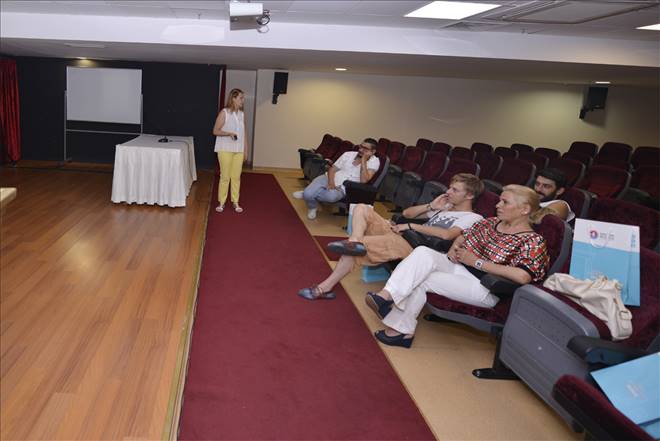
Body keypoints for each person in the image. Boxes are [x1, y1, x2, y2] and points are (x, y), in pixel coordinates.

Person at [366, 184, 550, 348]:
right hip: (459, 266)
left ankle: (401, 331)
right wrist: (454, 248)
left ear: (525, 209)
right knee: (423, 252)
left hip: (484, 286)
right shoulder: (492, 222)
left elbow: (522, 276)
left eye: (505, 202)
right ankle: (386, 297)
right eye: (500, 200)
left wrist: (477, 262)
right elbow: (463, 235)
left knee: (422, 279)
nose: (497, 205)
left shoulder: (533, 240)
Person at [297, 174, 484, 300]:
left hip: (416, 248)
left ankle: (324, 288)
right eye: (450, 188)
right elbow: (407, 213)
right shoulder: (445, 207)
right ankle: (355, 243)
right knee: (362, 207)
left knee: (354, 249)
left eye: (454, 190)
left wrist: (410, 226)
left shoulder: (473, 218)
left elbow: (447, 234)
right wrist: (431, 206)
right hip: (403, 234)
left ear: (469, 195)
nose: (448, 192)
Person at [293, 138, 380, 220]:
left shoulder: (374, 162)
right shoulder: (348, 154)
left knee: (330, 197)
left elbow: (364, 180)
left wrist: (364, 161)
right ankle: (312, 207)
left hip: (344, 188)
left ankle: (307, 194)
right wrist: (331, 182)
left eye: (365, 149)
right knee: (308, 194)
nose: (361, 150)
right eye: (361, 146)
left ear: (373, 152)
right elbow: (332, 169)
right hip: (329, 177)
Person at [213, 88, 249, 213]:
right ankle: (221, 202)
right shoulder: (224, 112)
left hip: (239, 150)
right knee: (225, 176)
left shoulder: (242, 114)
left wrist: (246, 150)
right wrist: (228, 133)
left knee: (236, 177)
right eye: (241, 98)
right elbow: (215, 131)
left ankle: (235, 202)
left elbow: (244, 134)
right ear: (233, 98)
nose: (243, 101)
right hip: (225, 149)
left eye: (243, 98)